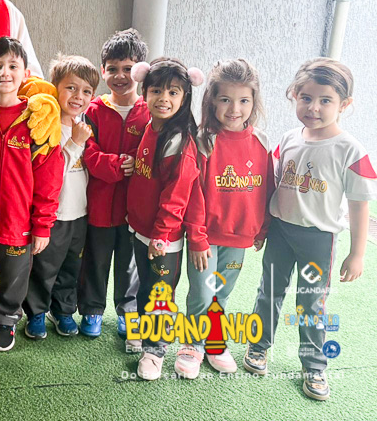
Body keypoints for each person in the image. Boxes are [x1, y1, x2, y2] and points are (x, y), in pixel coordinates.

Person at [243, 58, 377, 401]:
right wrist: (262, 227)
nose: (313, 107)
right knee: (268, 292)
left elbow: (359, 204)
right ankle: (259, 346)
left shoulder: (351, 150)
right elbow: (272, 186)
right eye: (306, 98)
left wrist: (357, 253)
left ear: (344, 104)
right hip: (281, 232)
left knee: (311, 303)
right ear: (294, 95)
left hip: (319, 239)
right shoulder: (289, 139)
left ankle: (314, 366)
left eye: (325, 100)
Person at [0, 37, 64, 352]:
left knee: (15, 276)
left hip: (18, 221)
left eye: (12, 66)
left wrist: (42, 224)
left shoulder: (38, 121)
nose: (5, 73)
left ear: (25, 73)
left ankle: (7, 320)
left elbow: (49, 177)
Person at [174, 59, 271, 379]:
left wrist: (262, 229)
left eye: (244, 100)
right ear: (212, 100)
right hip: (205, 237)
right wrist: (196, 237)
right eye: (225, 99)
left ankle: (214, 341)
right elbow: (193, 193)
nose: (235, 109)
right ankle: (192, 343)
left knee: (222, 293)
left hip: (239, 238)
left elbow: (266, 189)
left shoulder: (261, 142)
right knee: (202, 293)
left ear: (254, 102)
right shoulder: (202, 141)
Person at [126, 57, 209, 381]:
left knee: (160, 295)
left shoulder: (179, 141)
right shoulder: (150, 127)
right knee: (145, 289)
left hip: (164, 239)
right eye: (157, 91)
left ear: (185, 97)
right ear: (144, 92)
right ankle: (145, 335)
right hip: (141, 230)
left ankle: (155, 351)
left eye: (173, 92)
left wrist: (161, 235)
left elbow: (177, 196)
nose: (164, 98)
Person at [78, 29, 150, 342]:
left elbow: (149, 153)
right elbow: (87, 152)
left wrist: (136, 162)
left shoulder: (149, 113)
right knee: (95, 260)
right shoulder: (92, 110)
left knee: (128, 263)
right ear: (103, 70)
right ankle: (92, 310)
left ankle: (127, 311)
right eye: (112, 69)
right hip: (98, 205)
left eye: (128, 68)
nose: (120, 76)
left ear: (141, 71)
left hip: (133, 209)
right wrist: (120, 165)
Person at [24, 55, 99, 339]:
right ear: (54, 87)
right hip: (53, 215)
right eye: (71, 88)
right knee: (44, 267)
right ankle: (36, 312)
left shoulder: (86, 125)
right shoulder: (48, 127)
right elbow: (50, 173)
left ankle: (63, 310)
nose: (78, 96)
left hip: (79, 213)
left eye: (87, 91)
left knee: (71, 267)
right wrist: (75, 143)